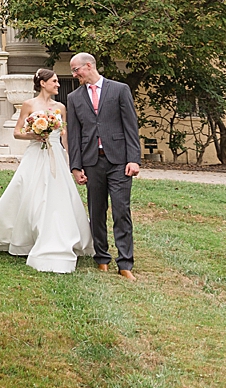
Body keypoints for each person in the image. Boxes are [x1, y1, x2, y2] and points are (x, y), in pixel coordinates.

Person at [0, 68, 93, 273]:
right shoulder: (29, 105)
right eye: (55, 81)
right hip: (36, 155)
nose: (58, 85)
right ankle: (29, 234)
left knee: (59, 195)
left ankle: (59, 234)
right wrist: (34, 135)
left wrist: (72, 161)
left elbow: (65, 136)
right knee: (32, 194)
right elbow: (17, 132)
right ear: (43, 83)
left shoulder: (60, 107)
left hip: (55, 155)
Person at [66, 52, 142, 280]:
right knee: (96, 212)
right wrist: (76, 167)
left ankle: (125, 262)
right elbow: (74, 134)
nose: (74, 74)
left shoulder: (119, 90)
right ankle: (102, 258)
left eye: (76, 69)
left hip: (119, 161)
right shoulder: (74, 97)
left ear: (88, 66)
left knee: (121, 211)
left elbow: (131, 126)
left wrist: (133, 159)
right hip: (92, 162)